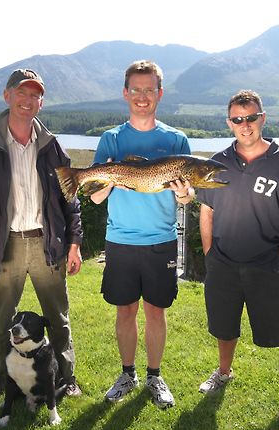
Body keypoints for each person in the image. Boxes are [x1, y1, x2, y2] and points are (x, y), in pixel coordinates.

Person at [0, 69, 83, 403]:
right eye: (21, 93)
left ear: (41, 101)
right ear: (7, 95)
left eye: (35, 95)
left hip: (47, 244)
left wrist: (74, 242)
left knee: (57, 320)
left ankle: (66, 379)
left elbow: (70, 199)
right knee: (2, 323)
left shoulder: (52, 146)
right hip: (3, 246)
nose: (28, 101)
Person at [197, 89, 279, 421]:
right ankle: (224, 372)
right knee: (224, 324)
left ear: (262, 118)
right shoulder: (217, 163)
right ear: (229, 123)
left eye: (251, 118)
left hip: (266, 263)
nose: (245, 125)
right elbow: (206, 209)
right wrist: (210, 253)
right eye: (238, 119)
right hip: (222, 261)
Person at [90, 60, 194, 409]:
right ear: (125, 93)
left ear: (159, 94)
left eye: (149, 90)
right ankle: (126, 374)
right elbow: (94, 195)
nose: (142, 96)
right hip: (120, 240)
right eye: (136, 89)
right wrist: (111, 179)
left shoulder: (175, 139)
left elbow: (186, 194)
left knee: (155, 311)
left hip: (161, 241)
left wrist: (184, 194)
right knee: (124, 311)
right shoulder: (111, 139)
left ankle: (155, 376)